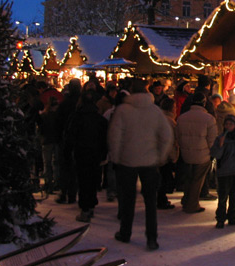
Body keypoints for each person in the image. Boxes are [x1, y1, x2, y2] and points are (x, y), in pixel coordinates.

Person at [108, 78, 173, 251]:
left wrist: (115, 157)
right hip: (150, 161)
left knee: (128, 199)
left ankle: (125, 232)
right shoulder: (155, 110)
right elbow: (167, 135)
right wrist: (160, 156)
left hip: (127, 161)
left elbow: (115, 137)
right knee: (150, 201)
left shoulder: (123, 110)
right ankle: (151, 237)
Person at [67, 90, 109, 222]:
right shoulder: (99, 119)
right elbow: (104, 138)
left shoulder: (76, 117)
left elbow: (70, 136)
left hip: (81, 152)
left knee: (83, 180)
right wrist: (104, 152)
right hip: (95, 153)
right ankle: (91, 204)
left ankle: (85, 207)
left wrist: (69, 151)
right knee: (93, 179)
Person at [177, 91, 218, 213]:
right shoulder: (209, 119)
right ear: (204, 103)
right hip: (202, 154)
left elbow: (178, 136)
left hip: (186, 153)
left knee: (189, 177)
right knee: (197, 179)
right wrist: (212, 152)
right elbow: (212, 140)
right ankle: (192, 204)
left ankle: (186, 199)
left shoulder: (182, 117)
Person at [55, 78, 81, 204]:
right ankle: (72, 193)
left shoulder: (66, 103)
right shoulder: (80, 102)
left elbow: (58, 121)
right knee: (75, 168)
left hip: (66, 138)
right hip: (79, 139)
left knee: (65, 166)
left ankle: (64, 192)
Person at [157, 95, 178, 210]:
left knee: (161, 177)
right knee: (164, 177)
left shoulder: (158, 118)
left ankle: (160, 198)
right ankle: (161, 199)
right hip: (166, 154)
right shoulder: (170, 121)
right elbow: (172, 140)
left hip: (157, 153)